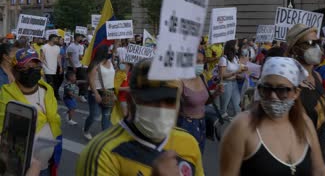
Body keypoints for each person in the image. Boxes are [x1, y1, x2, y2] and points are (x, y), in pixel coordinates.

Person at [76, 59, 204, 175]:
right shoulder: (101, 153)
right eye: (150, 100)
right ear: (131, 101)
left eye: (169, 100)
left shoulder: (189, 143)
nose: (161, 109)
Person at [220, 57, 325, 176]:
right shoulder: (242, 126)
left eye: (281, 90)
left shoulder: (305, 123)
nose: (273, 96)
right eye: (266, 89)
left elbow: (319, 170)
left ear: (296, 93)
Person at [0, 49, 62, 175]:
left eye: (36, 66)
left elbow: (54, 120)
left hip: (49, 162)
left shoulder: (47, 90)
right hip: (21, 168)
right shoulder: (5, 97)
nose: (33, 69)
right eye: (26, 67)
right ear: (15, 71)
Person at [285, 24, 325, 157]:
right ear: (296, 49)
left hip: (318, 152)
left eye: (317, 42)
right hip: (298, 156)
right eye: (310, 43)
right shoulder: (290, 82)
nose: (316, 47)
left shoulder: (317, 77)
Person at [178, 51, 223, 153]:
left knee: (198, 156)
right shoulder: (180, 81)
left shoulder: (202, 77)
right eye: (197, 61)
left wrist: (216, 93)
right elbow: (174, 107)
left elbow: (204, 102)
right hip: (186, 125)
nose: (200, 65)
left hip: (202, 124)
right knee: (186, 158)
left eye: (202, 61)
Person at [83, 45, 116, 140]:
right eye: (109, 51)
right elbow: (91, 81)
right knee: (94, 115)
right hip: (96, 92)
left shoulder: (110, 62)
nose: (110, 53)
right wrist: (96, 94)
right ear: (103, 53)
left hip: (109, 92)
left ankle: (104, 135)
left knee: (106, 115)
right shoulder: (95, 65)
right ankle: (86, 130)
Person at [219, 40, 246, 118]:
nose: (238, 47)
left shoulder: (236, 58)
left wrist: (243, 70)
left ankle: (236, 122)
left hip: (234, 83)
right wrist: (236, 72)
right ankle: (222, 126)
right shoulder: (223, 59)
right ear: (232, 47)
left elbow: (238, 69)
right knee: (224, 107)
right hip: (226, 84)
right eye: (237, 45)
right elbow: (222, 75)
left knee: (237, 104)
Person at [41, 34, 62, 100]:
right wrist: (44, 67)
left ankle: (52, 96)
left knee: (55, 84)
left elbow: (58, 58)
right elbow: (41, 58)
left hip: (55, 69)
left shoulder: (57, 47)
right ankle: (50, 98)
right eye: (56, 38)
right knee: (50, 84)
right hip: (47, 69)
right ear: (52, 39)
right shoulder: (44, 47)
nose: (57, 40)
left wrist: (60, 67)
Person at [67, 34, 87, 102]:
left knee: (83, 80)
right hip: (72, 66)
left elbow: (80, 57)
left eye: (82, 37)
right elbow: (69, 57)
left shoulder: (81, 46)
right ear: (76, 38)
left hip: (80, 66)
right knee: (71, 81)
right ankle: (70, 94)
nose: (81, 39)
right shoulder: (71, 46)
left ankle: (81, 95)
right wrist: (73, 66)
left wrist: (84, 54)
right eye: (80, 37)